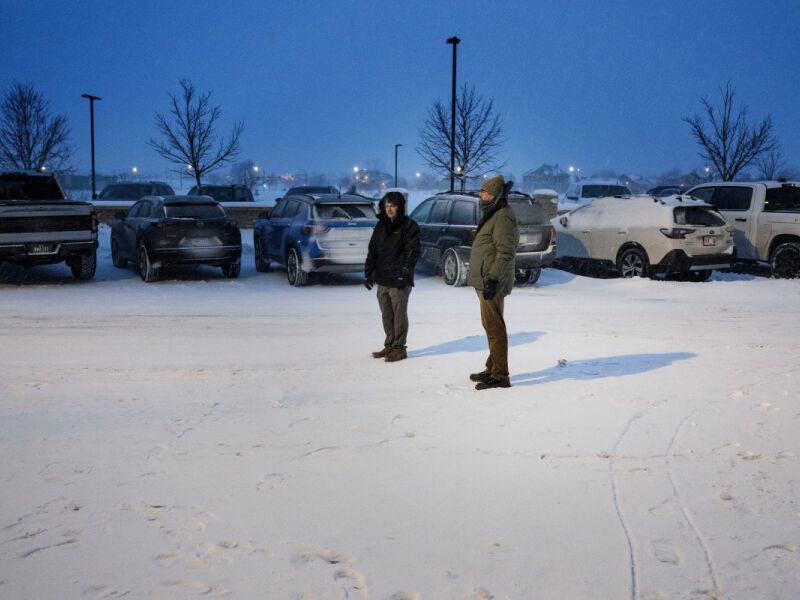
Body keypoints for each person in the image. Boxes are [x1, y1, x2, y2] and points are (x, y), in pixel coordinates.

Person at [467, 174, 519, 390]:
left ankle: (500, 375)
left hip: (492, 281)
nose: (482, 195)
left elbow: (505, 252)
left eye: (486, 192)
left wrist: (492, 279)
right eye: (481, 191)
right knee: (490, 326)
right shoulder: (493, 213)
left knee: (495, 328)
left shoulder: (503, 216)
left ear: (496, 195)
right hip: (485, 279)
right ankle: (492, 367)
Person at [364, 191, 421, 362]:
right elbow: (372, 250)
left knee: (399, 315)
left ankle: (399, 348)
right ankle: (389, 345)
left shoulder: (409, 226)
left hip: (399, 280)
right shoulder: (380, 226)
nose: (389, 209)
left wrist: (405, 272)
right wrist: (368, 272)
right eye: (387, 206)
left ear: (400, 207)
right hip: (382, 278)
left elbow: (413, 252)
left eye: (393, 206)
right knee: (386, 314)